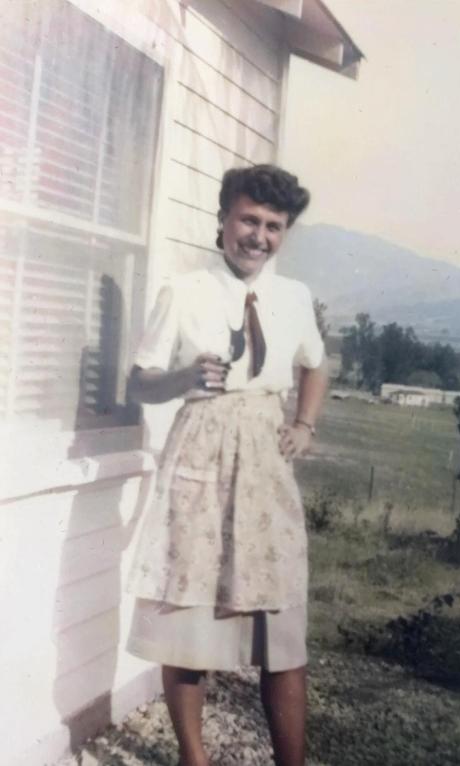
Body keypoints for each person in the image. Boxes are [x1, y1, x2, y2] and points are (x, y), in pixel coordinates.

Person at [126, 164, 328, 766]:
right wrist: (183, 377)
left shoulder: (294, 297)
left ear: (284, 233)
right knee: (188, 620)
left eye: (273, 226)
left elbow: (315, 364)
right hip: (199, 458)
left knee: (280, 632)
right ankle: (195, 758)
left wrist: (304, 425)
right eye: (248, 220)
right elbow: (139, 382)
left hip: (265, 463)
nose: (258, 236)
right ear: (223, 219)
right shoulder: (184, 291)